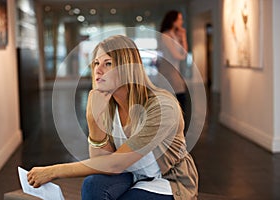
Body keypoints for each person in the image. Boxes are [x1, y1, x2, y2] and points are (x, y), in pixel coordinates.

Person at [27, 35, 198, 199]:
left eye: (108, 63)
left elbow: (115, 164)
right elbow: (100, 162)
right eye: (96, 63)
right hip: (131, 173)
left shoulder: (161, 107)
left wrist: (54, 171)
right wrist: (93, 120)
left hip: (166, 180)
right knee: (92, 185)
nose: (98, 70)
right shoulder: (108, 104)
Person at [158, 10, 191, 135]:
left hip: (175, 71)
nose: (181, 22)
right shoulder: (166, 35)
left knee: (180, 100)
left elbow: (184, 53)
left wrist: (183, 37)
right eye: (180, 19)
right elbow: (178, 55)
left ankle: (178, 129)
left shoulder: (175, 35)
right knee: (176, 100)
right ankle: (173, 130)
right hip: (168, 72)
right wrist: (182, 53)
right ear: (173, 21)